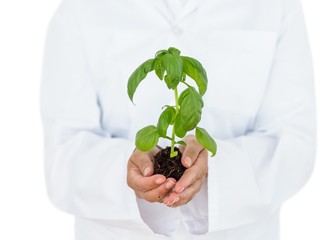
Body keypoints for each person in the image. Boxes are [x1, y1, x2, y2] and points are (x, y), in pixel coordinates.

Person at [40, 0, 316, 239]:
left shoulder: (276, 6)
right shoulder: (79, 8)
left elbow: (294, 143)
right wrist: (130, 168)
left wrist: (215, 166)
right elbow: (64, 153)